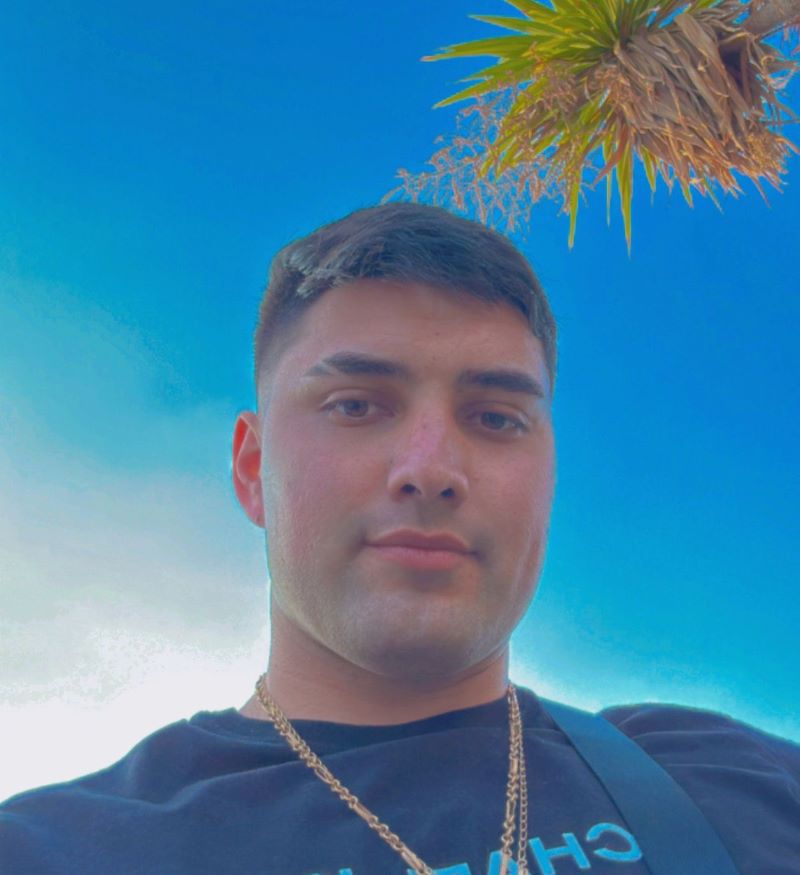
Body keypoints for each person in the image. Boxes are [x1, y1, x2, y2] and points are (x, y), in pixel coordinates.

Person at [1, 203, 798, 875]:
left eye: (496, 418)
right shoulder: (54, 849)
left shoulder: (736, 776)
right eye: (355, 405)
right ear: (251, 469)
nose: (431, 469)